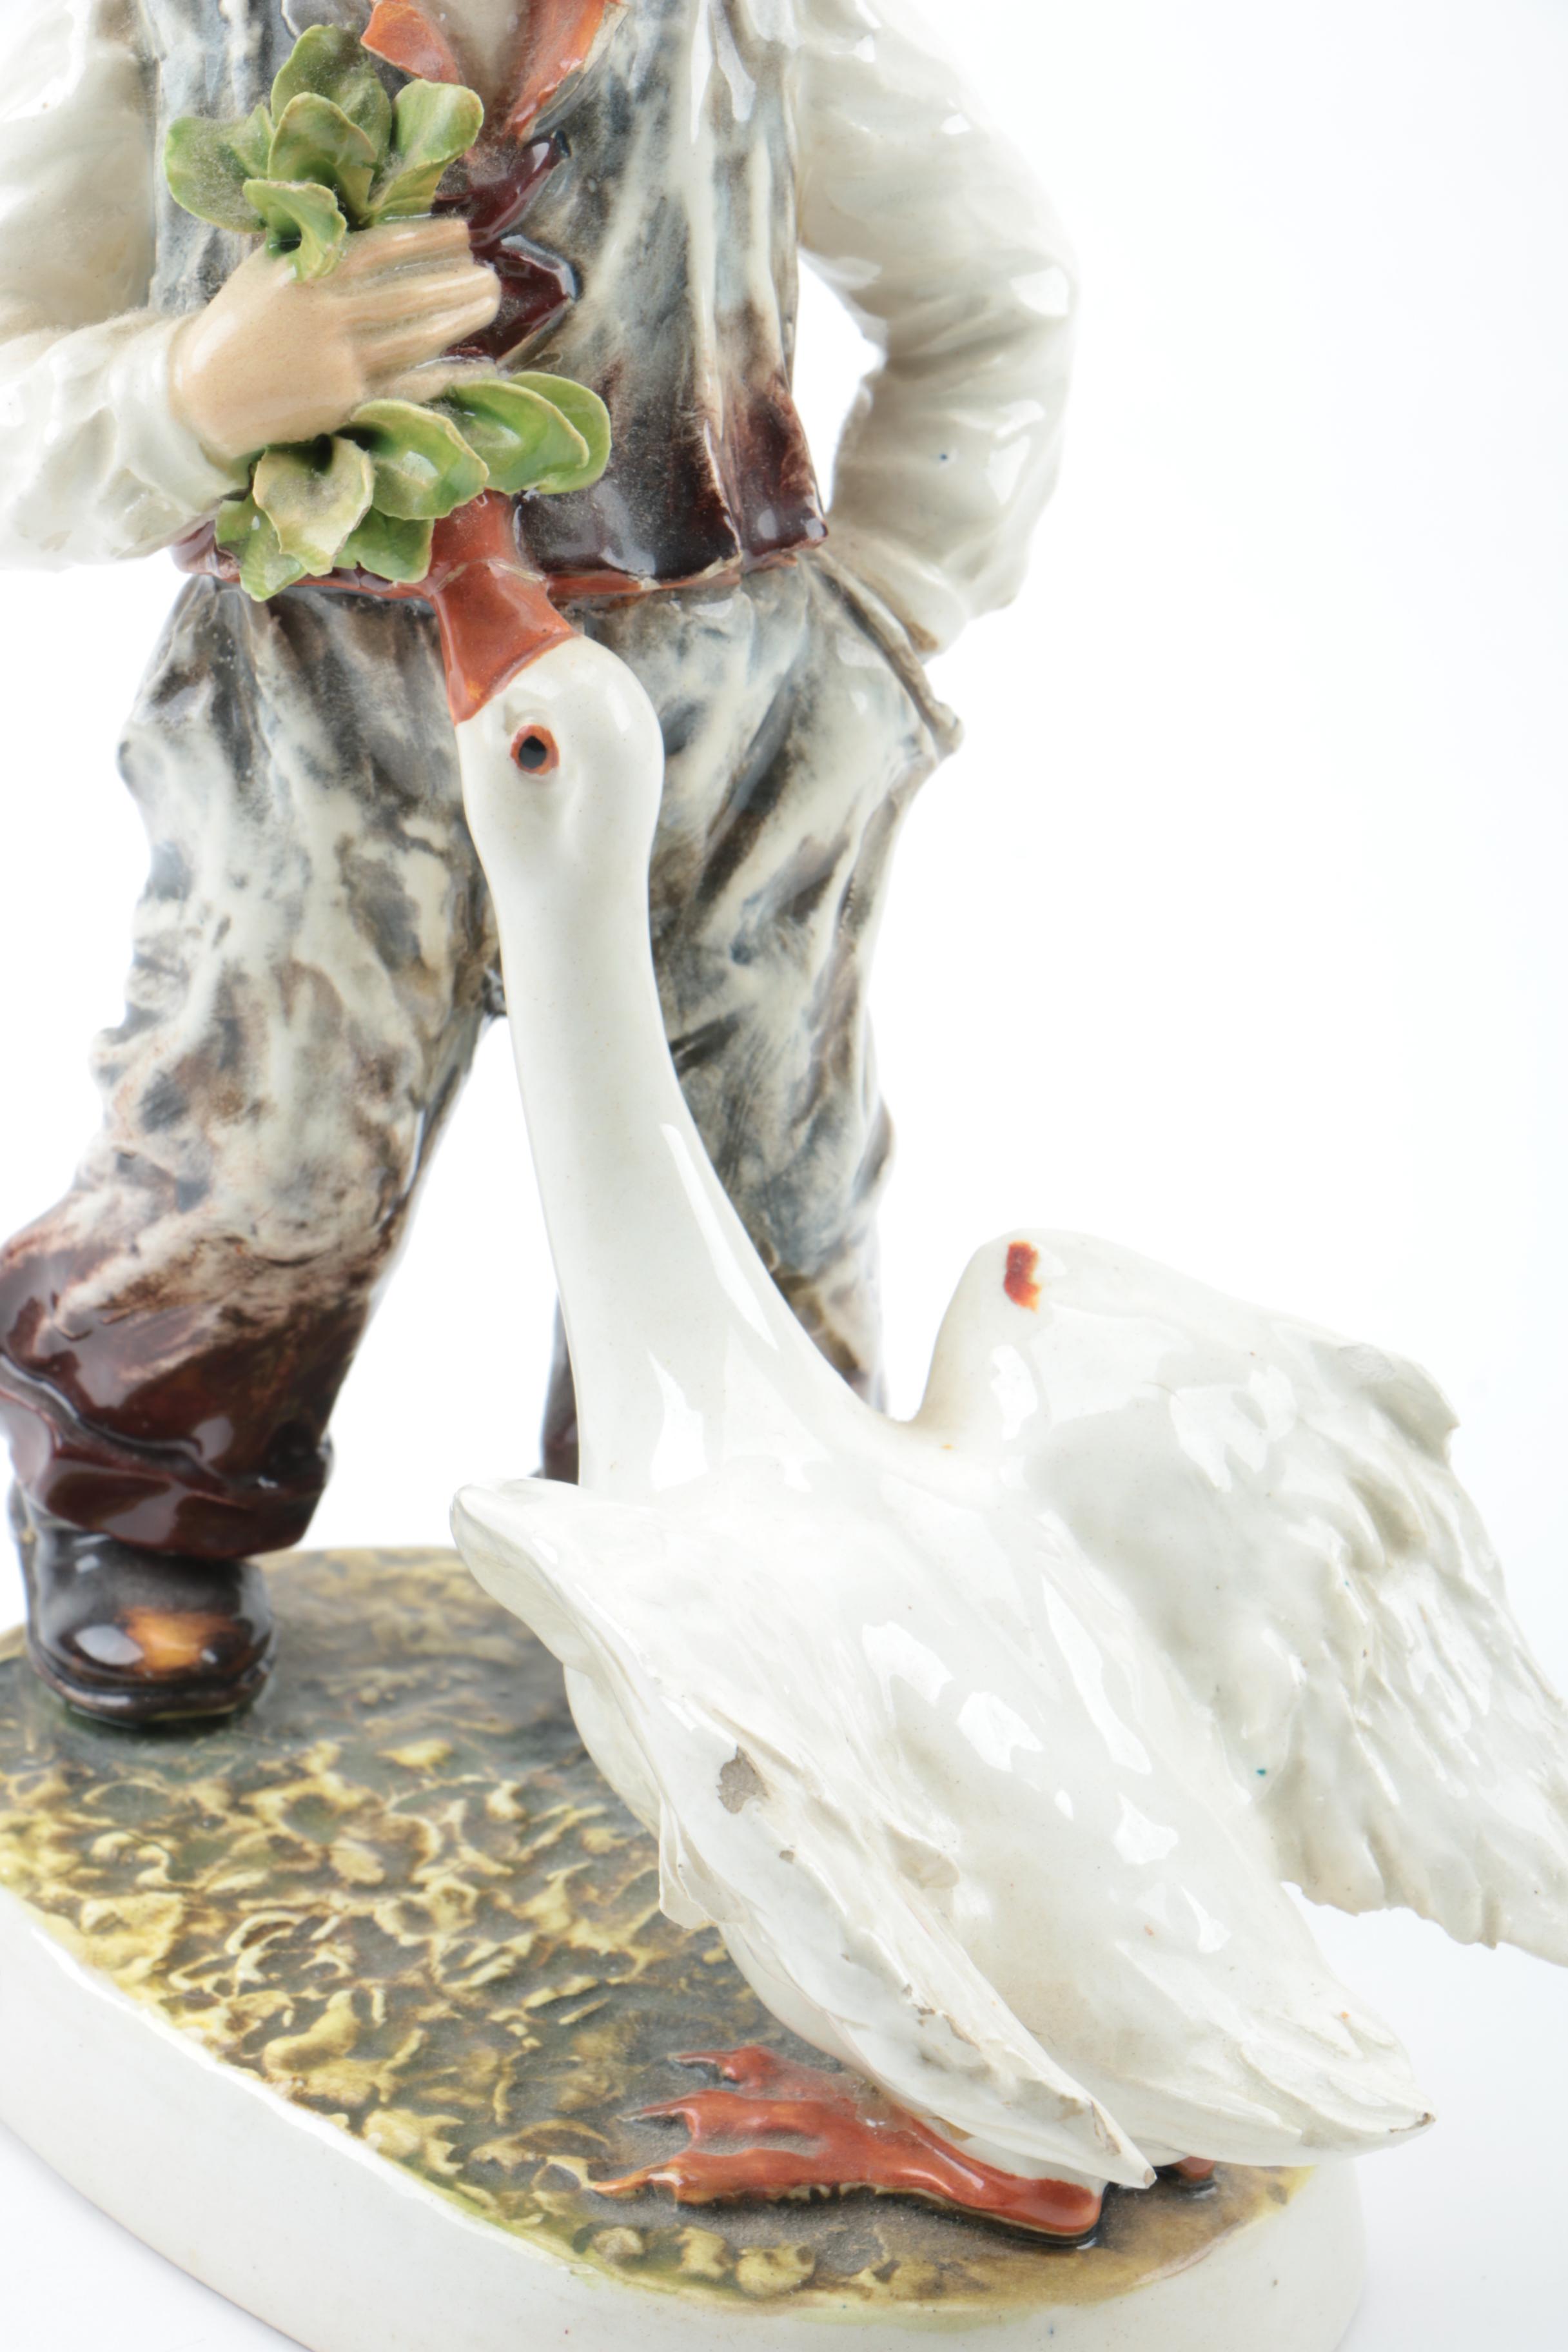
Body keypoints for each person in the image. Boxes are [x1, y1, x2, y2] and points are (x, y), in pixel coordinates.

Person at [0, 0, 1075, 1721]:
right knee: (267, 1139)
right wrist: (188, 390)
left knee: (741, 1145)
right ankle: (144, 1494)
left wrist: (891, 607)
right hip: (317, 697)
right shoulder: (157, 26)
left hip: (717, 695)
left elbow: (996, 293)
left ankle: (730, 1534)